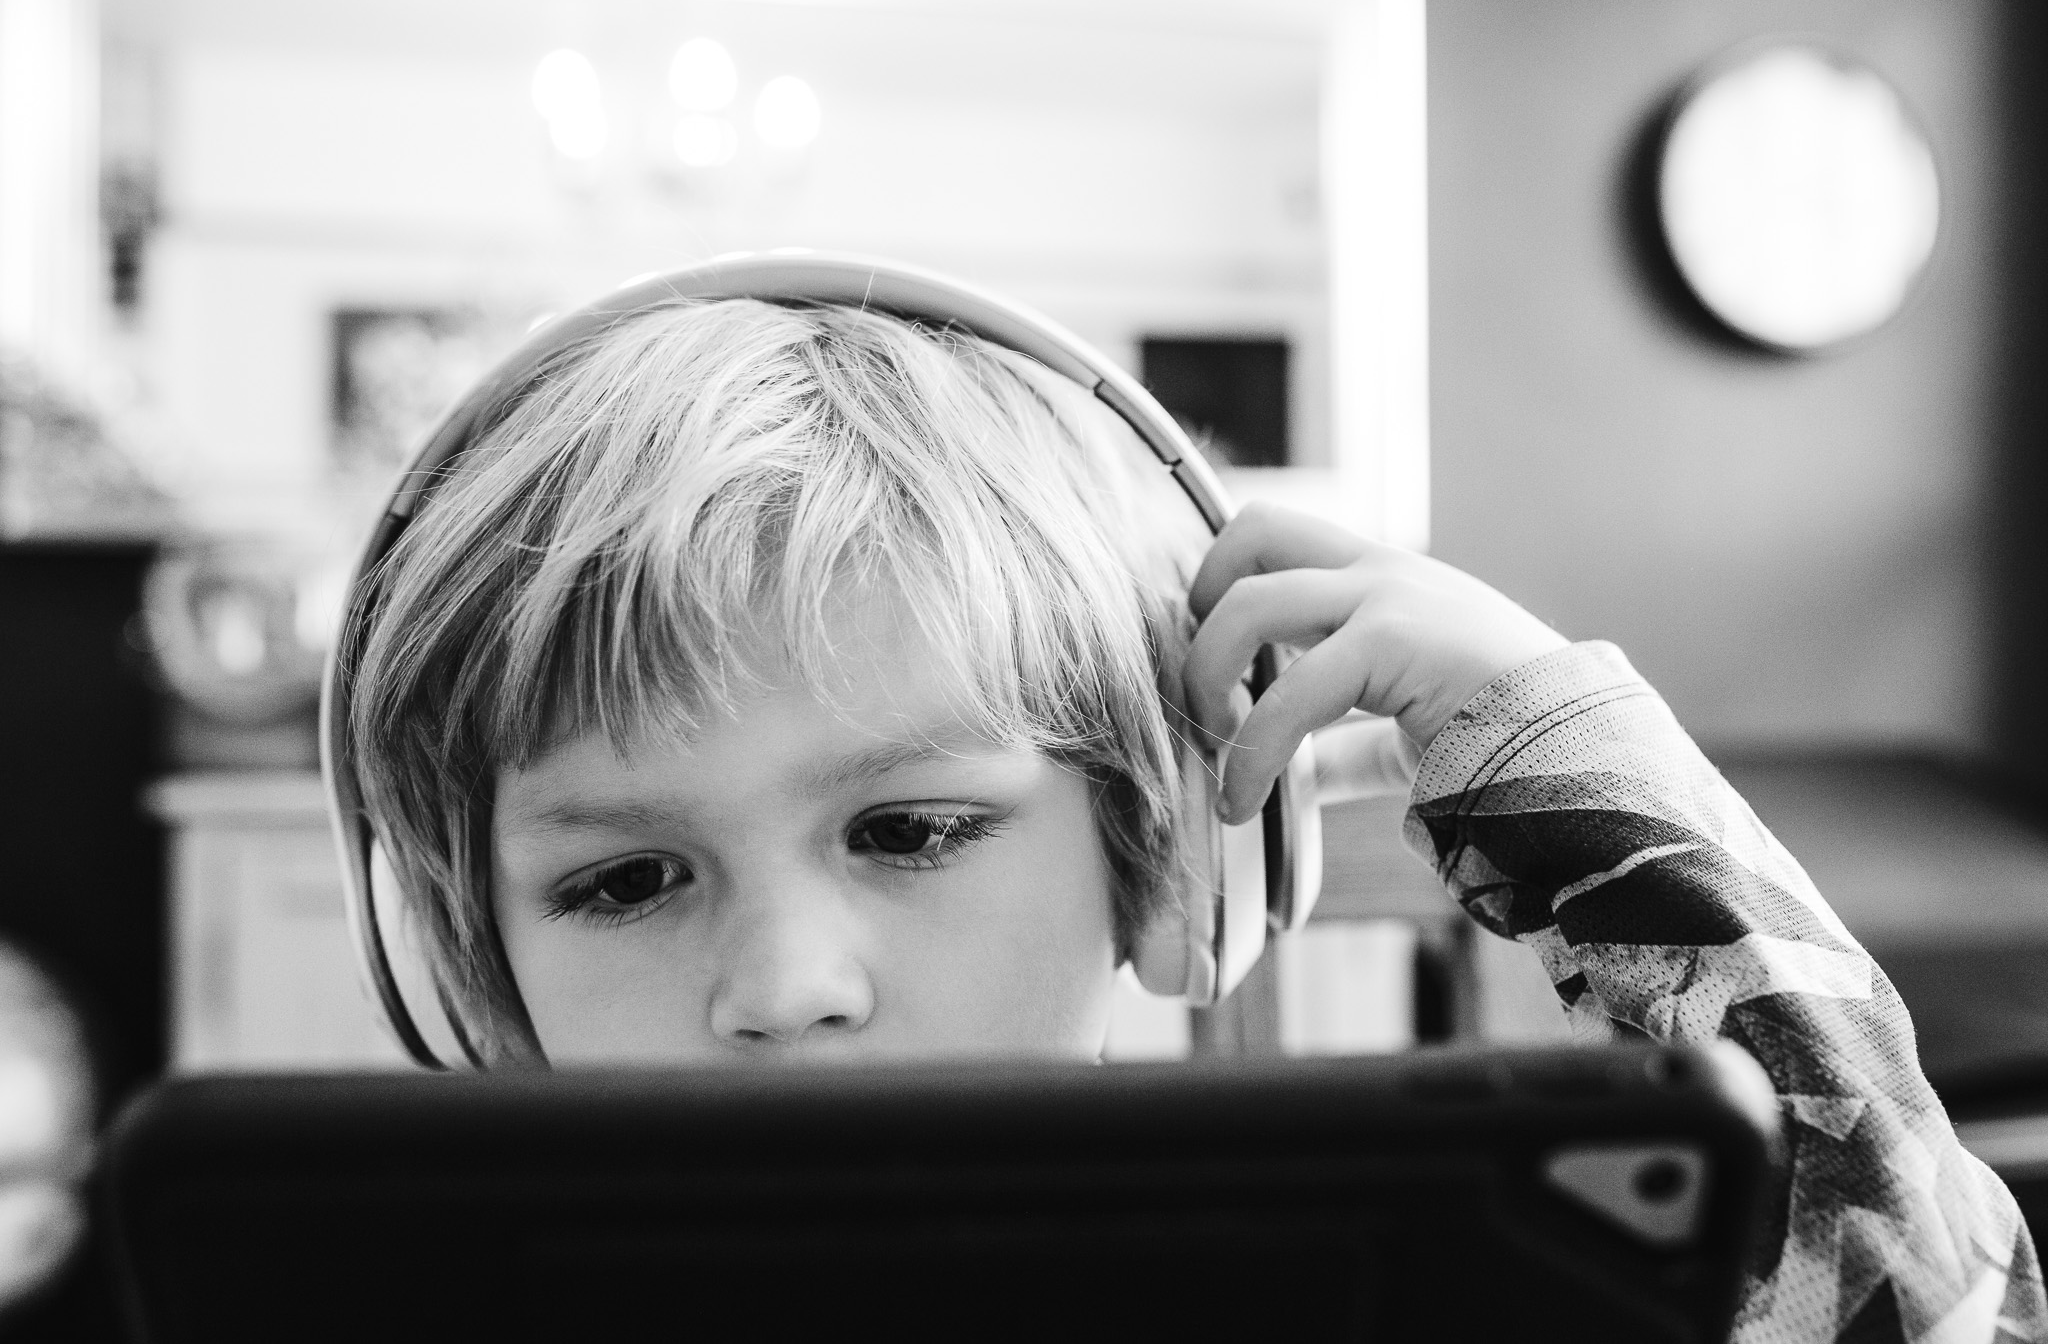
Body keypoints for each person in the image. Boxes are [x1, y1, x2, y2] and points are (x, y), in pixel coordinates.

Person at [341, 296, 2042, 1341]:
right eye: (629, 876)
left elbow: (1931, 1320)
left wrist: (1577, 775)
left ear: (1169, 863)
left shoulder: (1385, 1299)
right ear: (466, 966)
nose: (787, 985)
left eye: (912, 830)